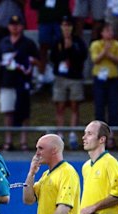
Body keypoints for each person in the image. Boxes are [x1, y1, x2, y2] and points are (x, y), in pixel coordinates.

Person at [0, 14, 40, 151]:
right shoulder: (3, 42)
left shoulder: (28, 43)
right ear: (8, 27)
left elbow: (38, 61)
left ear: (22, 27)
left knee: (24, 112)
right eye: (12, 25)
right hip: (7, 81)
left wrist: (27, 61)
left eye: (17, 25)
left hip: (23, 82)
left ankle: (23, 141)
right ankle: (8, 140)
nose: (15, 27)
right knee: (8, 112)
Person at [49, 15, 88, 150]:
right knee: (59, 105)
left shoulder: (78, 41)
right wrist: (64, 50)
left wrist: (71, 48)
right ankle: (60, 134)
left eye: (69, 26)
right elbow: (53, 58)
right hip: (60, 76)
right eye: (64, 25)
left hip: (75, 77)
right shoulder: (57, 41)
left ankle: (72, 133)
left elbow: (82, 57)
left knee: (74, 105)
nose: (66, 28)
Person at [90, 23, 118, 132]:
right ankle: (99, 130)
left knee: (113, 105)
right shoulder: (95, 45)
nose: (110, 33)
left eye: (111, 30)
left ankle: (113, 132)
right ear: (102, 33)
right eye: (107, 30)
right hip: (99, 79)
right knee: (99, 105)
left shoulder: (117, 45)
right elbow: (95, 59)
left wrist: (109, 55)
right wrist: (104, 51)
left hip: (112, 79)